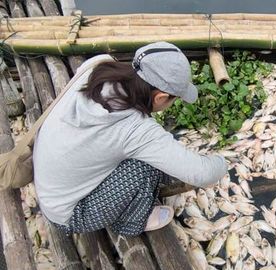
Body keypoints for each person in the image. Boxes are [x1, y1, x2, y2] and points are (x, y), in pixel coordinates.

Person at [33, 42, 228, 236]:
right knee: (145, 168)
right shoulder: (135, 130)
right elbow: (203, 174)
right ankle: (129, 223)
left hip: (49, 183)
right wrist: (224, 161)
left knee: (147, 155)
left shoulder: (99, 65)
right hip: (68, 215)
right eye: (174, 99)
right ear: (160, 97)